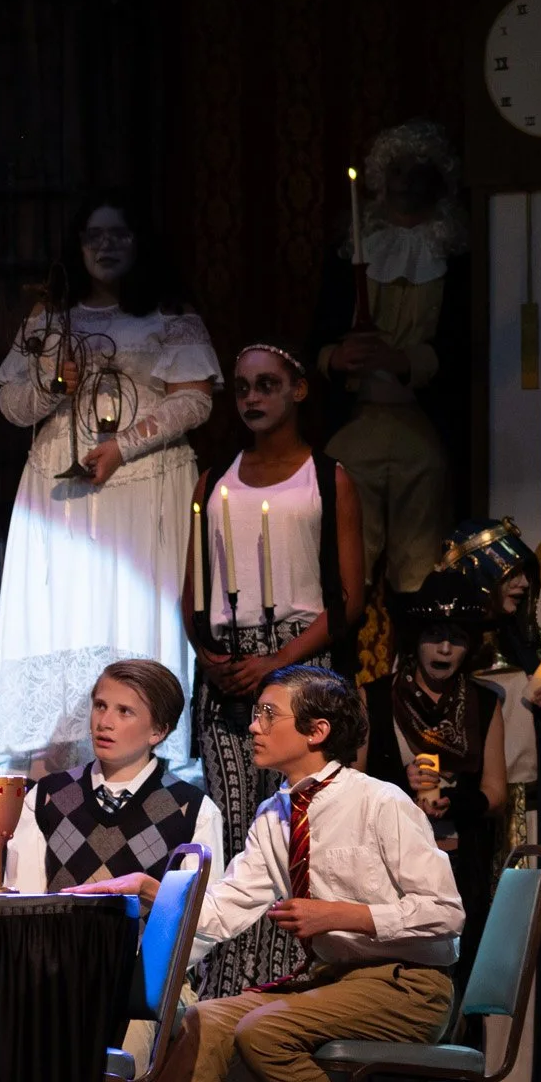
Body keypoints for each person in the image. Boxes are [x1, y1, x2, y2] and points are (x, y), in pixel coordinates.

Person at [70, 666, 464, 1082]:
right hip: (333, 982)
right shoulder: (275, 815)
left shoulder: (380, 802)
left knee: (264, 1030)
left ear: (316, 731)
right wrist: (151, 890)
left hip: (408, 985)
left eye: (268, 715)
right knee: (206, 1019)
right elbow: (220, 914)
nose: (252, 727)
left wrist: (342, 915)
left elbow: (446, 913)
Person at [0, 192, 218, 776]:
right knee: (64, 615)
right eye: (95, 236)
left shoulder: (167, 315)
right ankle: (55, 763)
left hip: (141, 484)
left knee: (130, 610)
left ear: (139, 244)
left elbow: (195, 399)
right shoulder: (50, 318)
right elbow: (12, 405)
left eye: (119, 235)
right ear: (78, 246)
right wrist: (54, 388)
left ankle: (139, 759)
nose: (106, 246)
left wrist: (124, 446)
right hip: (61, 491)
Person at [187, 344, 366, 995]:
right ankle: (227, 981)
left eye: (267, 384)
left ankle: (289, 976)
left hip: (298, 667)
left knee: (292, 829)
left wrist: (278, 662)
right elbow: (195, 588)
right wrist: (210, 655)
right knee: (237, 829)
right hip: (229, 671)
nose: (253, 398)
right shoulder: (215, 480)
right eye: (242, 388)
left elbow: (347, 600)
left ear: (298, 389)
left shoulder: (327, 478)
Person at [437, 517, 541, 1082]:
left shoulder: (539, 647)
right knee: (478, 967)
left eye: (526, 572)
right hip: (476, 823)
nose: (521, 583)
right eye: (508, 572)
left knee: (535, 973)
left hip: (532, 819)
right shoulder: (452, 651)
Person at [357, 569, 507, 1082]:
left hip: (457, 876)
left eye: (458, 637)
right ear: (414, 639)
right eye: (434, 635)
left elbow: (495, 793)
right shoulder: (373, 698)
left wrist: (451, 799)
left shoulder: (485, 703)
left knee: (450, 1015)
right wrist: (404, 799)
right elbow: (355, 787)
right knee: (390, 1009)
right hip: (390, 879)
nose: (445, 648)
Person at [315, 119, 468, 596]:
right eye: (396, 170)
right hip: (355, 424)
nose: (406, 182)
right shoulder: (351, 254)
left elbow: (464, 344)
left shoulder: (454, 258)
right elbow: (316, 337)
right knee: (345, 568)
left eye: (417, 171)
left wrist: (405, 360)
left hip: (421, 425)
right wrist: (338, 356)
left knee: (420, 571)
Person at [8, 659, 222, 893]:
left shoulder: (194, 811)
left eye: (124, 711)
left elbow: (199, 912)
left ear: (158, 731)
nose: (105, 722)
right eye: (100, 706)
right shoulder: (47, 797)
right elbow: (25, 902)